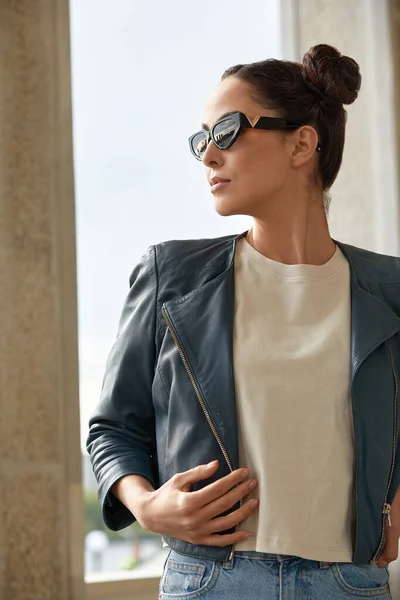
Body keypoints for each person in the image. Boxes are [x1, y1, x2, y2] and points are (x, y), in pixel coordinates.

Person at [86, 44, 399, 599]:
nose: (208, 154)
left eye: (226, 131)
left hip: (353, 585)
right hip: (210, 582)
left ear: (302, 143)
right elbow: (113, 429)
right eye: (201, 139)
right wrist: (148, 506)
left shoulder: (390, 289)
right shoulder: (171, 276)